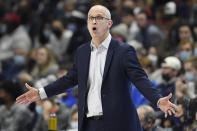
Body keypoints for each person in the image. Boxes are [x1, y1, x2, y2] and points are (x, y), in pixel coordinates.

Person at [16, 5, 177, 131]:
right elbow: (69, 79)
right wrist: (41, 93)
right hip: (89, 124)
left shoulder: (124, 51)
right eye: (91, 18)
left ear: (109, 23)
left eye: (99, 17)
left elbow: (140, 79)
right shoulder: (82, 51)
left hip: (118, 124)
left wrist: (157, 99)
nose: (94, 21)